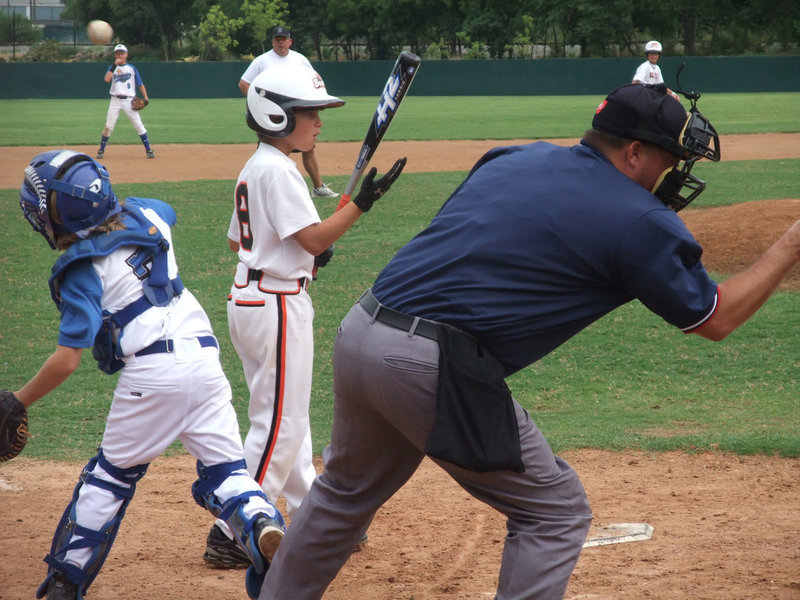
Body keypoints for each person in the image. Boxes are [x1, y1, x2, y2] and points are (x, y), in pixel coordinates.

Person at [255, 83, 800, 599]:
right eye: (671, 159)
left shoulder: (511, 157)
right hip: (425, 363)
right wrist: (789, 245)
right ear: (634, 152)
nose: (676, 172)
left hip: (361, 330)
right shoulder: (641, 221)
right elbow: (715, 317)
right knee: (555, 511)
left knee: (343, 493)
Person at [15, 149, 286, 600]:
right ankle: (259, 524)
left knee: (109, 479)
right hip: (204, 363)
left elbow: (67, 359)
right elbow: (165, 210)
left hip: (152, 376)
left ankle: (65, 582)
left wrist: (19, 400)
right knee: (227, 472)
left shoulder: (82, 269)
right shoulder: (148, 215)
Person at [201, 64, 405, 569]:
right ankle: (234, 526)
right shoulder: (278, 170)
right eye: (308, 112)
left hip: (251, 299)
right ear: (276, 115)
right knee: (279, 422)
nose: (318, 121)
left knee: (289, 419)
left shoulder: (259, 165)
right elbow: (313, 240)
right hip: (275, 304)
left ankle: (321, 516)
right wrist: (359, 206)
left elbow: (240, 239)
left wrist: (312, 242)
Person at [238, 25, 339, 198]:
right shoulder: (262, 61)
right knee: (268, 146)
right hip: (274, 113)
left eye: (283, 39)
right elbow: (244, 83)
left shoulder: (299, 59)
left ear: (290, 41)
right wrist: (259, 102)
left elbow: (316, 78)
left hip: (296, 111)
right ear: (273, 42)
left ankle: (318, 187)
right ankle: (254, 186)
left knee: (308, 148)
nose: (281, 43)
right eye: (277, 40)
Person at [95, 44, 155, 160]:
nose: (120, 55)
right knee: (109, 126)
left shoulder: (132, 68)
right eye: (117, 53)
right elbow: (107, 79)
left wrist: (146, 97)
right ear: (115, 55)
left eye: (122, 53)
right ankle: (101, 150)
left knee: (138, 124)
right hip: (115, 100)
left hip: (129, 100)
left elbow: (140, 83)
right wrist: (114, 65)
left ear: (126, 55)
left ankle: (148, 149)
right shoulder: (112, 68)